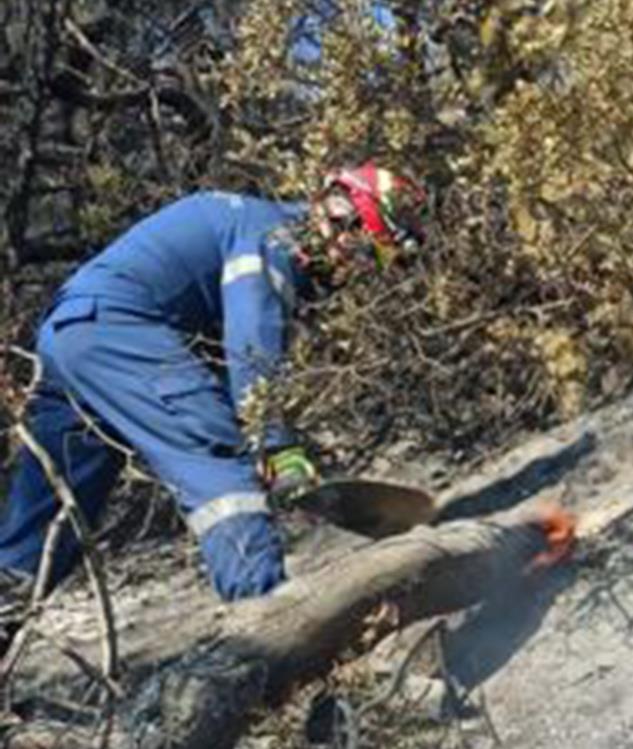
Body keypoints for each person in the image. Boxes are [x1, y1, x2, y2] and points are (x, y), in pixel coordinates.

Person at [0, 163, 428, 617]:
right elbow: (251, 344)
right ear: (345, 220)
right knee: (218, 462)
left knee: (47, 523)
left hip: (69, 335)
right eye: (363, 255)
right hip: (116, 330)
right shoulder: (275, 238)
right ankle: (263, 625)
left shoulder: (250, 223)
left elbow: (219, 357)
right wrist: (276, 447)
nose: (353, 274)